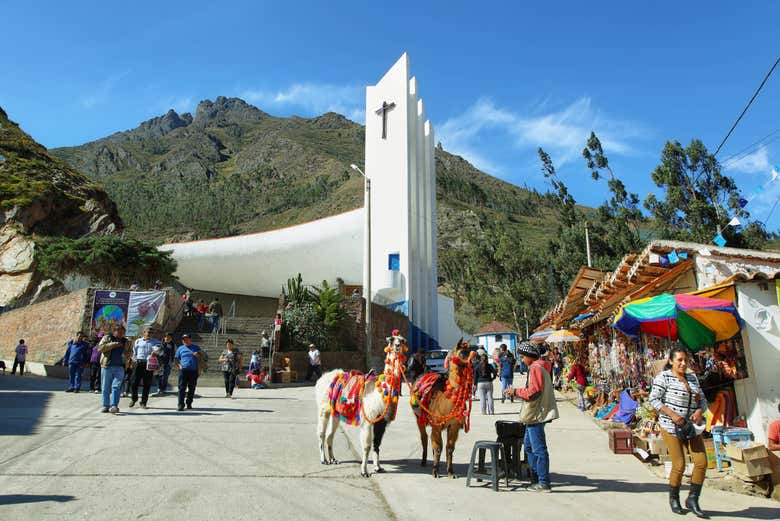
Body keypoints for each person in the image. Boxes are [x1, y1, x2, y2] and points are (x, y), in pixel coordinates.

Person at [649, 347, 708, 517]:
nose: (683, 363)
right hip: (671, 426)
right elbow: (654, 400)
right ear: (671, 361)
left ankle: (693, 498)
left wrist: (699, 411)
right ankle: (674, 498)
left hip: (691, 426)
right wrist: (673, 415)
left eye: (685, 360)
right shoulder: (664, 377)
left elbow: (702, 400)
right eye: (679, 360)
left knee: (701, 462)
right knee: (679, 464)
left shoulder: (692, 378)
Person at [505, 342, 559, 492]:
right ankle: (535, 478)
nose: (522, 360)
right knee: (529, 446)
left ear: (530, 356)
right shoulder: (542, 366)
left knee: (538, 449)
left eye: (523, 357)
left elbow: (533, 392)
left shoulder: (535, 367)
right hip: (538, 412)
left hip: (536, 413)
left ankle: (543, 482)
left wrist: (515, 392)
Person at [98, 325, 131, 414]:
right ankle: (105, 406)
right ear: (114, 331)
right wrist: (113, 345)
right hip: (107, 366)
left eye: (123, 333)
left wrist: (128, 355)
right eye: (119, 332)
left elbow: (129, 352)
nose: (121, 334)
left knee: (116, 386)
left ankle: (114, 406)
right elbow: (100, 348)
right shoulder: (107, 338)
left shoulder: (126, 341)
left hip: (120, 367)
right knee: (105, 387)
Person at [130, 326, 160, 408]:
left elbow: (160, 351)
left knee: (147, 384)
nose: (149, 334)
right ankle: (134, 398)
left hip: (149, 364)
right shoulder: (138, 341)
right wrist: (134, 360)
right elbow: (134, 352)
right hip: (139, 363)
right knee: (134, 382)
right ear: (144, 332)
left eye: (151, 332)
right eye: (148, 332)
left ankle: (143, 402)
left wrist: (156, 352)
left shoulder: (156, 341)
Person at [175, 334, 201, 411]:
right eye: (183, 339)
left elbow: (203, 358)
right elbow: (176, 359)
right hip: (183, 370)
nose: (185, 340)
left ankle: (189, 403)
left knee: (192, 388)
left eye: (186, 339)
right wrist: (179, 365)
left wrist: (198, 355)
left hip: (193, 371)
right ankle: (180, 404)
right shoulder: (180, 348)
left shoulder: (196, 347)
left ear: (190, 339)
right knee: (181, 388)